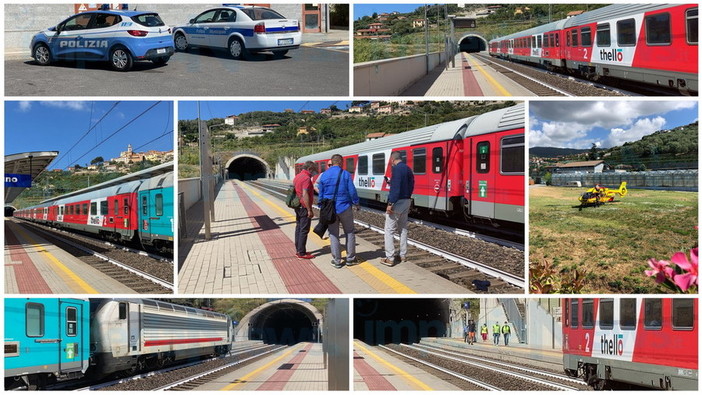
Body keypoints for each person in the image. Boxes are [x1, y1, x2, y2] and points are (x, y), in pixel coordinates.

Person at [318, 154, 360, 268]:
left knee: (333, 234)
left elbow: (321, 194)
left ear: (331, 162)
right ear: (341, 162)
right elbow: (352, 190)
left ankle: (337, 260)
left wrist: (321, 205)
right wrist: (356, 202)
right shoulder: (345, 174)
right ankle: (350, 258)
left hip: (330, 209)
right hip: (344, 207)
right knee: (349, 232)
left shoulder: (324, 175)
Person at [381, 151, 414, 266]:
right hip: (407, 200)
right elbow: (411, 185)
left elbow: (395, 188)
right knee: (403, 228)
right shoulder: (408, 169)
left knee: (389, 230)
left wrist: (390, 203)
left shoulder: (396, 169)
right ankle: (403, 255)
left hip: (398, 202)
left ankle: (390, 258)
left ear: (392, 160)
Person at [292, 161, 316, 259]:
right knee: (304, 230)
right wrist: (309, 209)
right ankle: (302, 253)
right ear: (310, 168)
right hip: (304, 206)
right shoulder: (306, 178)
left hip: (298, 206)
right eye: (313, 170)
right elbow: (305, 194)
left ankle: (298, 249)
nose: (314, 172)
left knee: (298, 228)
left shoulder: (297, 176)